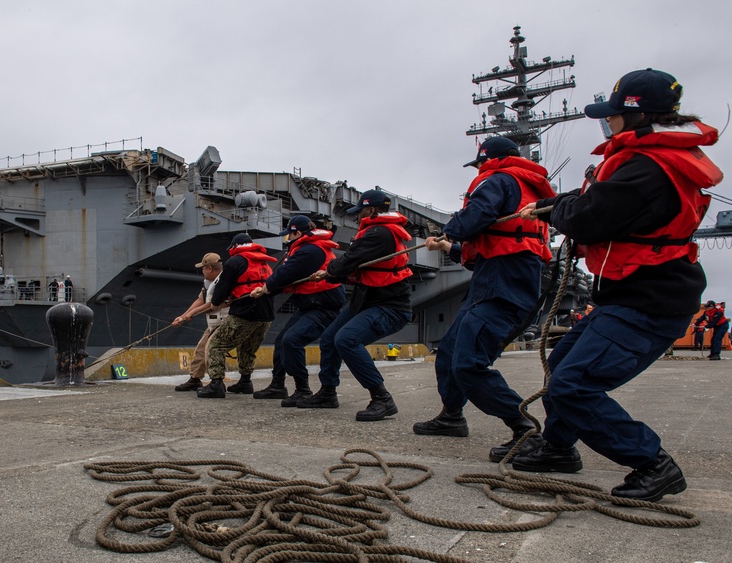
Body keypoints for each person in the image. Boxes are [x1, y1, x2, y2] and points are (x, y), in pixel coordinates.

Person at [514, 69, 723, 503]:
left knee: (574, 385)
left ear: (636, 116)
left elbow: (587, 217)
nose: (606, 122)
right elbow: (595, 196)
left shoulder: (647, 169)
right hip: (631, 295)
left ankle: (652, 463)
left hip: (649, 300)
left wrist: (556, 212)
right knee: (563, 366)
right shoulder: (646, 160)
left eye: (611, 115)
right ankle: (557, 448)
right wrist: (556, 203)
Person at [412, 136, 557, 463]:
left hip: (502, 287)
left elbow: (477, 217)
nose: (478, 169)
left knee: (469, 364)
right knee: (448, 353)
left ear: (489, 161)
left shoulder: (500, 179)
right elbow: (497, 247)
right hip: (496, 281)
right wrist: (449, 247)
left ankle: (524, 427)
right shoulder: (522, 187)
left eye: (479, 164)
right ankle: (451, 417)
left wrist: (449, 230)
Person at [297, 189, 413, 421]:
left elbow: (347, 262)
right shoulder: (381, 232)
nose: (357, 217)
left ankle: (382, 398)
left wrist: (329, 271)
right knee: (330, 338)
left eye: (359, 212)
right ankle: (328, 393)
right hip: (367, 300)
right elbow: (353, 267)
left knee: (346, 339)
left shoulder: (378, 233)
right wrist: (332, 273)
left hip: (389, 306)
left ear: (370, 210)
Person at [249, 216, 346, 406]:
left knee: (291, 340)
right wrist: (266, 290)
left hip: (324, 306)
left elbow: (286, 273)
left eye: (289, 235)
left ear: (298, 233)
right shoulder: (306, 249)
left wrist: (267, 287)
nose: (287, 239)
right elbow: (288, 277)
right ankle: (278, 385)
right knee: (281, 341)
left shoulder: (310, 250)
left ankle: (303, 390)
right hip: (311, 304)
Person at [197, 233, 276, 399]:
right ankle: (245, 382)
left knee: (216, 345)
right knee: (247, 348)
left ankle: (216, 384)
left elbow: (222, 288)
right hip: (266, 315)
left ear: (234, 247)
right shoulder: (263, 261)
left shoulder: (235, 261)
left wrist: (216, 303)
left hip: (245, 313)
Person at [173, 252, 227, 391]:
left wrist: (190, 314)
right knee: (201, 350)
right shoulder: (209, 283)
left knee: (212, 349)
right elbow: (201, 300)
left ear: (209, 268)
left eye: (203, 268)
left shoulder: (225, 281)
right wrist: (182, 316)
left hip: (226, 322)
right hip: (214, 323)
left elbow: (212, 304)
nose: (202, 271)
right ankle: (195, 379)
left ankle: (217, 383)